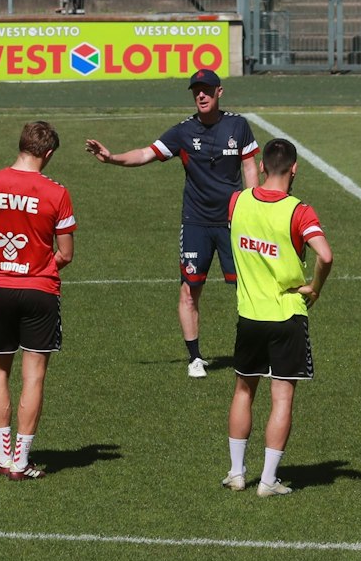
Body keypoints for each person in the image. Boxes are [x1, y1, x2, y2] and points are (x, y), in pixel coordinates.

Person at [85, 68, 258, 378]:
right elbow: (145, 154)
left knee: (245, 290)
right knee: (190, 290)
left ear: (220, 92)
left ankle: (252, 353)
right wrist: (111, 158)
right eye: (196, 91)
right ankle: (194, 358)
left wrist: (252, 210)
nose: (201, 95)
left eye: (206, 89)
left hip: (233, 222)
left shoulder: (238, 126)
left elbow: (249, 167)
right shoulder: (182, 132)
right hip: (195, 223)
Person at [224, 139, 331, 496]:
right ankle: (268, 480)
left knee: (243, 390)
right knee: (281, 397)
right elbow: (325, 256)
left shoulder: (237, 202)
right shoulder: (299, 211)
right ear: (295, 168)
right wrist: (314, 287)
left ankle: (237, 473)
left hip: (249, 315)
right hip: (286, 315)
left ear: (264, 167)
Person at [0, 121, 76, 481]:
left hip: (0, 287)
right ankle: (21, 461)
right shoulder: (56, 193)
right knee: (33, 376)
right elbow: (66, 253)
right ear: (47, 154)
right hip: (40, 290)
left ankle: (2, 457)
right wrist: (39, 262)